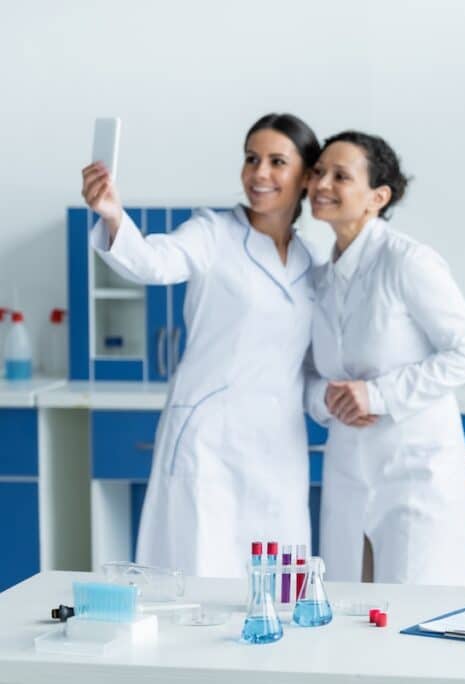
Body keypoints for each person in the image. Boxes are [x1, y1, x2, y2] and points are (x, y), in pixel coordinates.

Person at [80, 113, 321, 577]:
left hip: (278, 446)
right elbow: (153, 262)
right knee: (199, 577)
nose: (259, 174)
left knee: (279, 585)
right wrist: (112, 213)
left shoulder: (312, 262)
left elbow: (304, 362)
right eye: (251, 159)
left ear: (306, 176)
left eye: (277, 161)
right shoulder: (212, 232)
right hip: (210, 440)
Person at [305, 131, 465, 584]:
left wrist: (378, 395)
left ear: (377, 197)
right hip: (349, 472)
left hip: (416, 473)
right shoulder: (320, 279)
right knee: (347, 614)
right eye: (318, 172)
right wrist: (326, 399)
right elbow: (310, 374)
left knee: (417, 619)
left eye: (340, 175)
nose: (322, 183)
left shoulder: (407, 262)